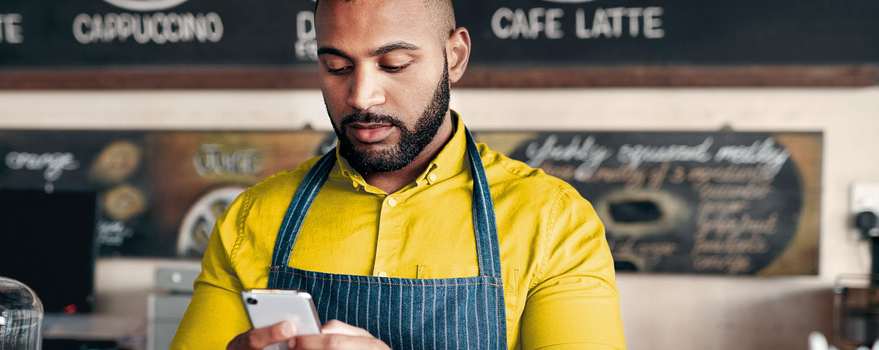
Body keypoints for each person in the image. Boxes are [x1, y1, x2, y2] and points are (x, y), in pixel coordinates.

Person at [171, 0, 625, 349]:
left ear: (455, 56)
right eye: (337, 67)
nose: (362, 96)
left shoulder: (552, 222)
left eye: (394, 65)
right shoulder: (252, 218)